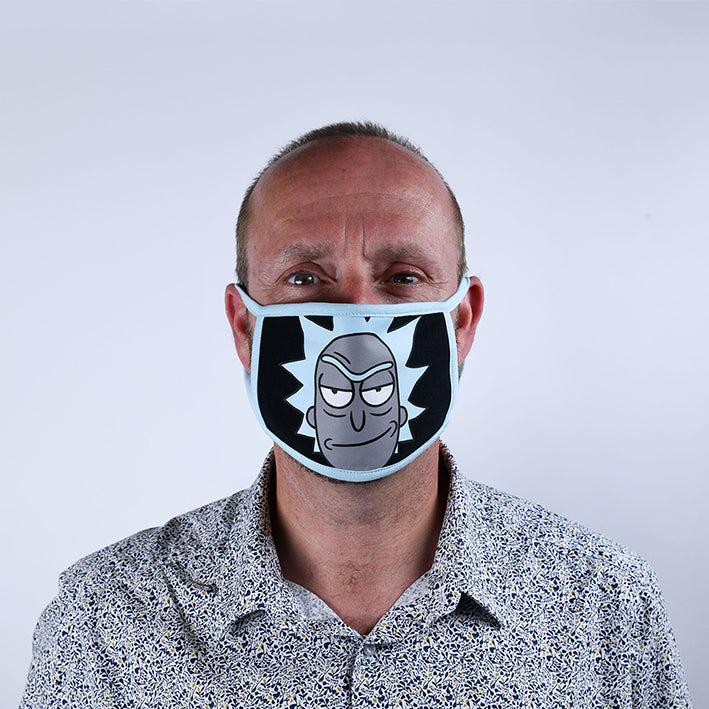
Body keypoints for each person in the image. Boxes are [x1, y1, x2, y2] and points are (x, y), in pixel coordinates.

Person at [21, 123, 692, 708]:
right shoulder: (104, 623)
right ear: (245, 327)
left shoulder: (604, 605)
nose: (356, 313)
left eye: (402, 276)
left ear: (461, 322)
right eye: (306, 278)